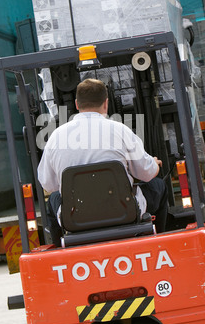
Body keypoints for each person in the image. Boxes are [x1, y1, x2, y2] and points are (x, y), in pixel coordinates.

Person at [38, 78, 168, 245]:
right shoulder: (120, 130)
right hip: (123, 211)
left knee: (54, 199)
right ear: (106, 103)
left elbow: (49, 185)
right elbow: (146, 173)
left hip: (76, 217)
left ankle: (61, 252)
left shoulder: (56, 137)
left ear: (77, 104)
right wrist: (154, 165)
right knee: (159, 186)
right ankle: (160, 245)